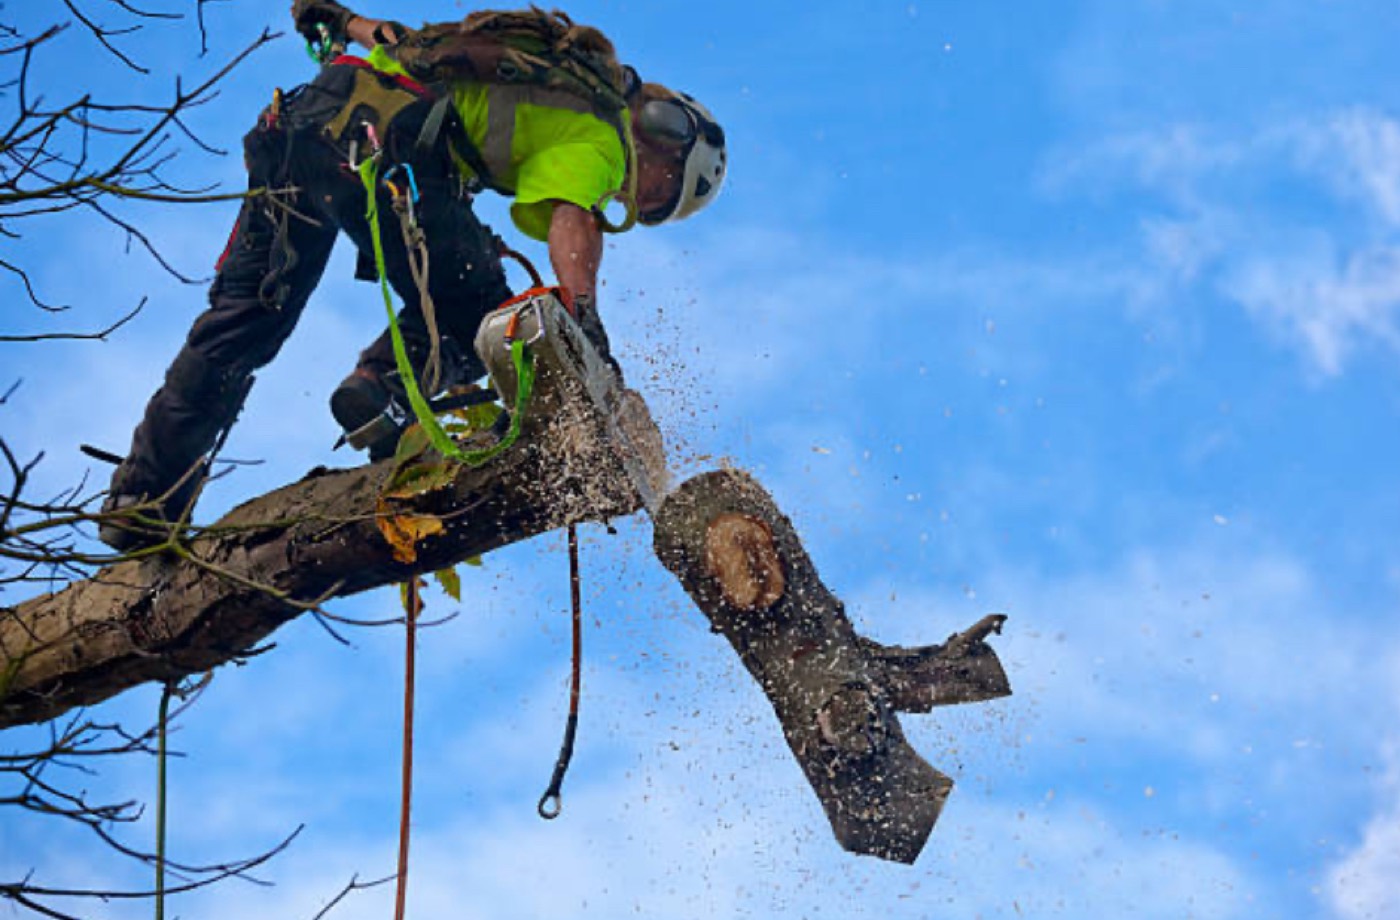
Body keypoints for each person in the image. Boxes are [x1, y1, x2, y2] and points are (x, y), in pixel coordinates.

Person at [98, 3, 727, 551]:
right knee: (483, 315)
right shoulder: (603, 132)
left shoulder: (531, 62)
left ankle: (143, 500)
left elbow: (398, 40)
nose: (639, 200)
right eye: (658, 199)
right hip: (388, 149)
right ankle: (382, 388)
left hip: (302, 127)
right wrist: (582, 323)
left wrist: (341, 21)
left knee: (241, 323)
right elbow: (573, 218)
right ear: (667, 150)